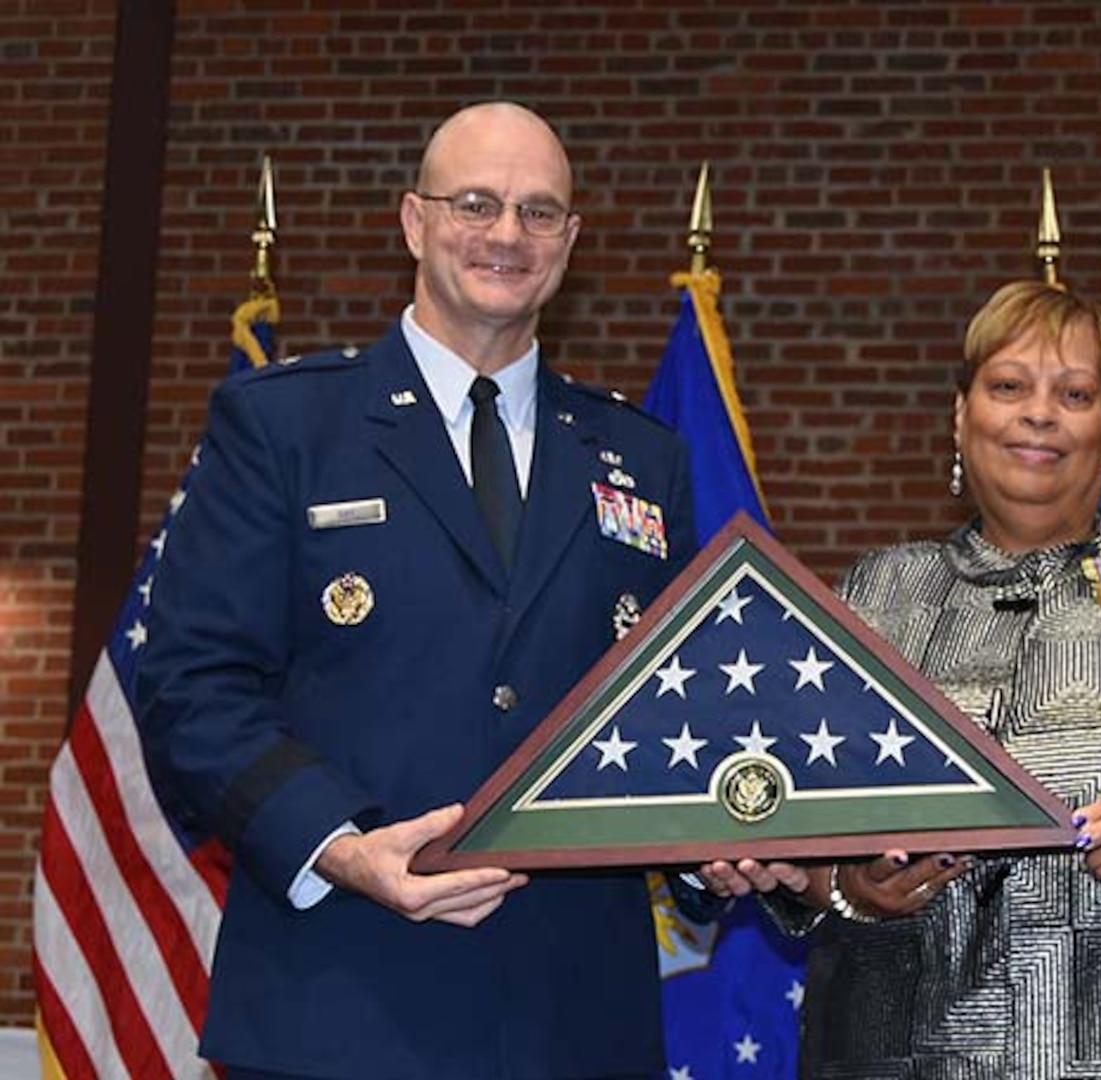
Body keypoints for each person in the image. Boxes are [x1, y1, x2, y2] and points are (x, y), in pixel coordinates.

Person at [137, 102, 696, 1079]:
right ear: (414, 221)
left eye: (538, 211)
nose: (506, 235)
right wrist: (341, 846)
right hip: (342, 1007)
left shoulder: (640, 458)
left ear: (569, 239)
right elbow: (190, 685)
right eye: (476, 203)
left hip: (577, 1022)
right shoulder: (287, 426)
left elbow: (673, 709)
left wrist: (725, 843)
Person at [701, 280, 1101, 1079]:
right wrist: (842, 884)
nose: (1039, 413)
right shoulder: (872, 594)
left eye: (1075, 393)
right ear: (961, 414)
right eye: (1008, 386)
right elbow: (782, 817)